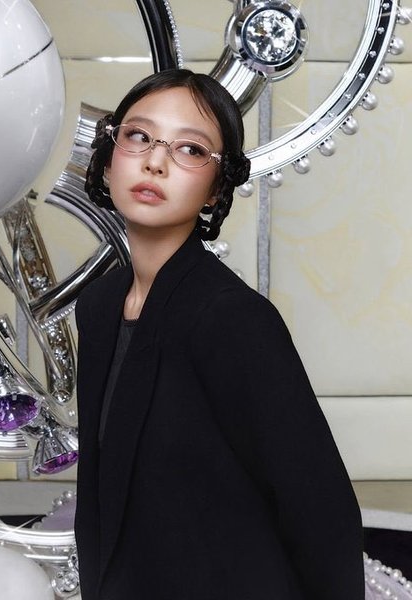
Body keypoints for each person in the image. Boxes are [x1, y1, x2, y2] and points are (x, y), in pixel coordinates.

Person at [75, 68, 365, 600]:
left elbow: (323, 512)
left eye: (190, 150)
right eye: (138, 136)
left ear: (215, 191)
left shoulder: (231, 319)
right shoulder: (99, 306)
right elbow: (102, 496)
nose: (155, 161)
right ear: (109, 158)